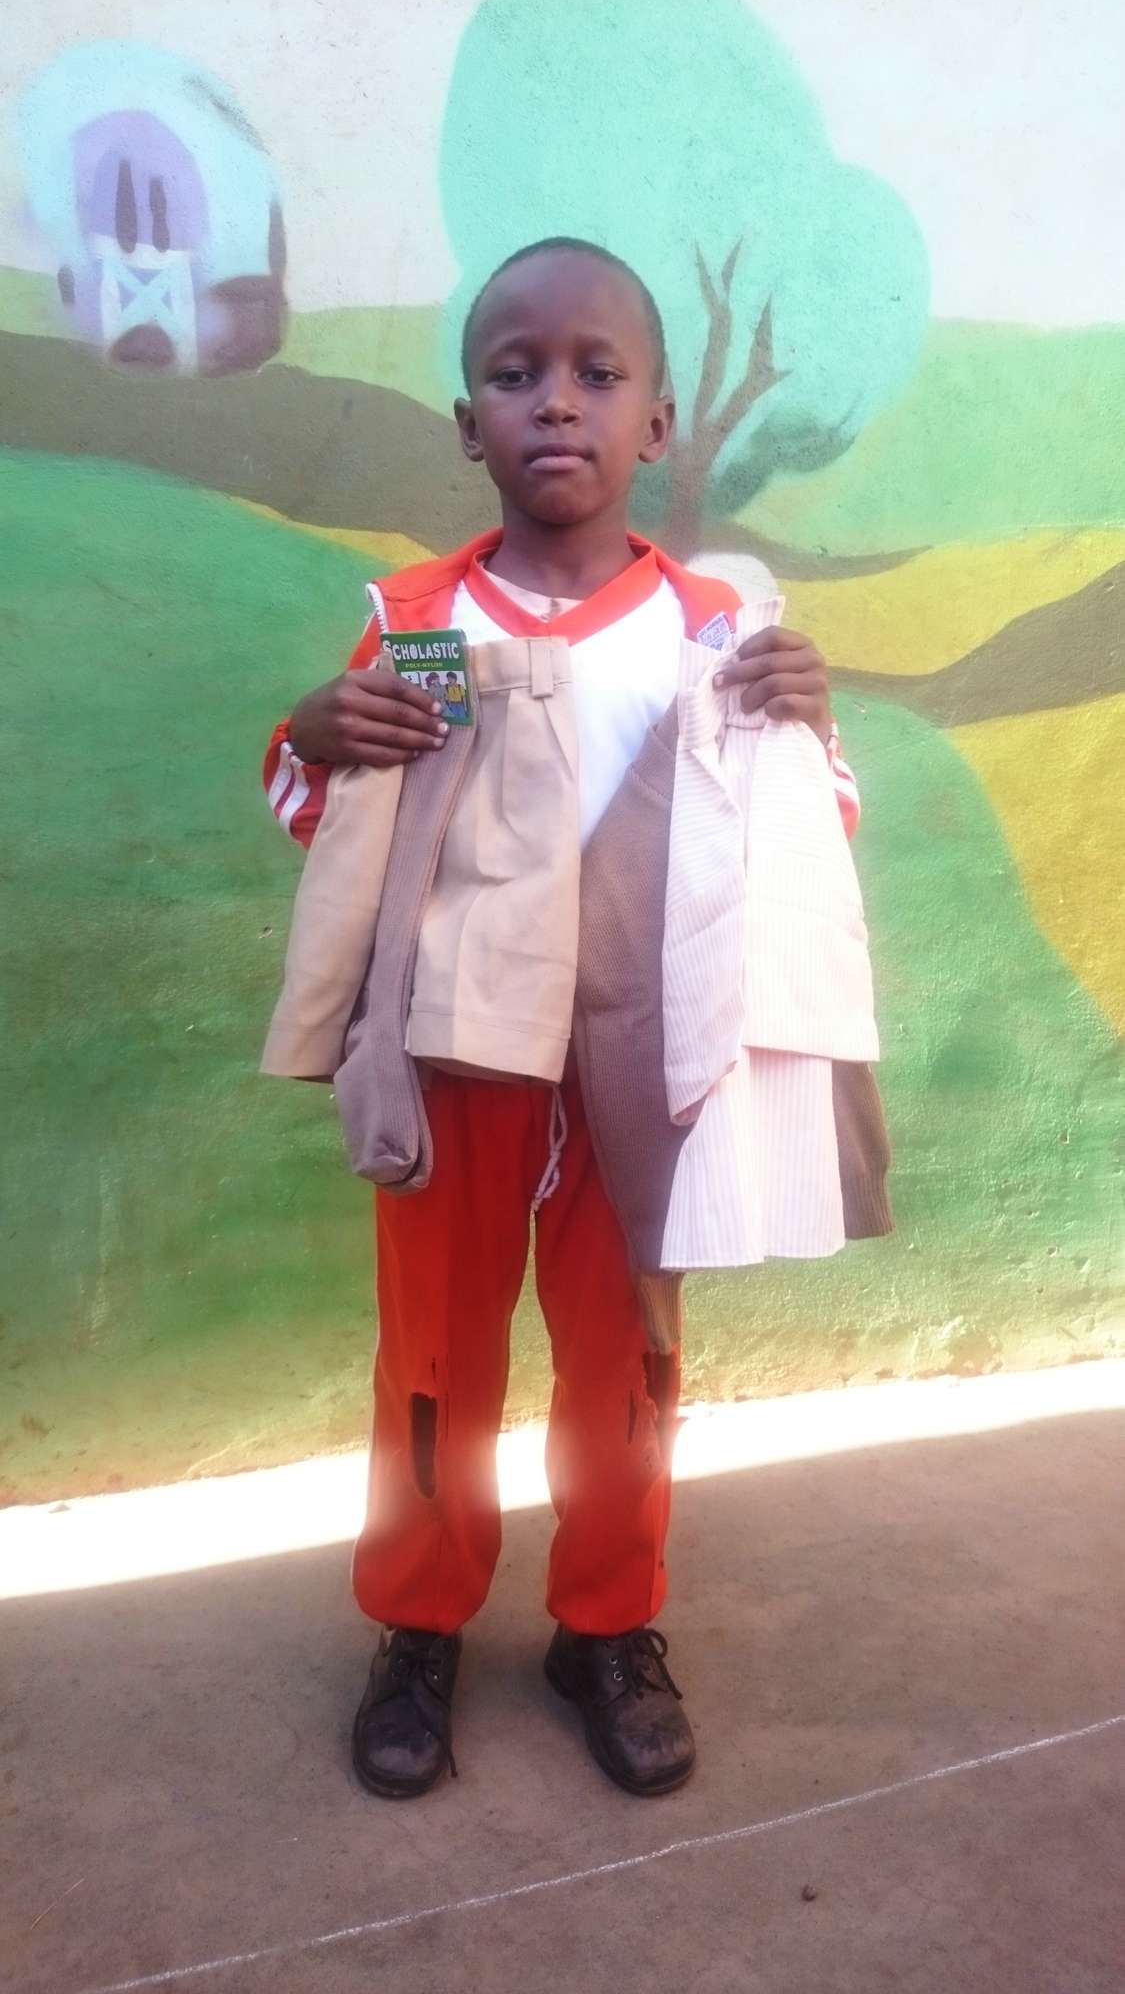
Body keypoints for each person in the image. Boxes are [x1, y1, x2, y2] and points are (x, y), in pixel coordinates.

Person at [263, 237, 859, 1800]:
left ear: (653, 421)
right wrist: (314, 735)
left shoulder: (718, 631)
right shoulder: (420, 620)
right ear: (469, 423)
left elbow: (811, 827)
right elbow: (329, 827)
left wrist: (807, 727)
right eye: (515, 374)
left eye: (597, 374)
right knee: (433, 1356)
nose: (555, 402)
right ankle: (419, 1623)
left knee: (628, 1361)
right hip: (457, 1055)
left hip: (645, 1066)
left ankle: (606, 1622)